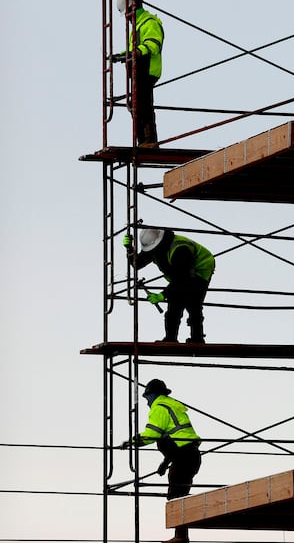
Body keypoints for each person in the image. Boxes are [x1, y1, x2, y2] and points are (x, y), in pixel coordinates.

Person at [121, 379, 201, 543]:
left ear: (153, 395)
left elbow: (152, 435)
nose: (147, 402)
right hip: (188, 455)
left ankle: (181, 537)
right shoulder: (171, 404)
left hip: (184, 456)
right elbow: (175, 439)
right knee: (179, 492)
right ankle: (181, 535)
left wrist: (131, 442)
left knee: (177, 495)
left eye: (147, 398)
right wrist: (166, 462)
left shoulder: (159, 407)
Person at [124, 228, 215, 343]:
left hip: (200, 269)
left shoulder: (180, 249)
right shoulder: (155, 249)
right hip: (181, 274)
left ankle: (197, 339)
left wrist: (163, 295)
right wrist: (129, 249)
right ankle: (170, 338)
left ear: (160, 244)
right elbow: (137, 264)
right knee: (174, 304)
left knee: (192, 303)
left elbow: (182, 278)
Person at [112, 0, 164, 148]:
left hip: (147, 70)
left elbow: (154, 44)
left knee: (143, 104)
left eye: (127, 14)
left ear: (132, 9)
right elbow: (135, 48)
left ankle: (149, 140)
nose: (127, 18)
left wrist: (137, 52)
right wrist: (122, 55)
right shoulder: (138, 26)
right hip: (138, 71)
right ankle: (142, 140)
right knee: (136, 104)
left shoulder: (149, 22)